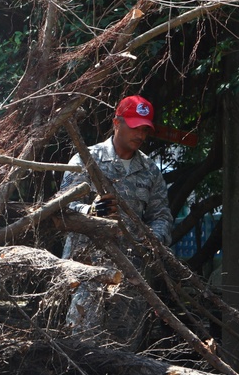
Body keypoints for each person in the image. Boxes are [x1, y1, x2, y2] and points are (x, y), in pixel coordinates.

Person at [61, 95, 173, 348]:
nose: (141, 134)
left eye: (145, 129)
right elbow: (61, 207)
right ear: (116, 123)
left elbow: (162, 216)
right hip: (87, 272)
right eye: (135, 126)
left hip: (131, 275)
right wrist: (90, 210)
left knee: (125, 350)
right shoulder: (86, 160)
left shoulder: (149, 170)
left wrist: (152, 238)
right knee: (82, 347)